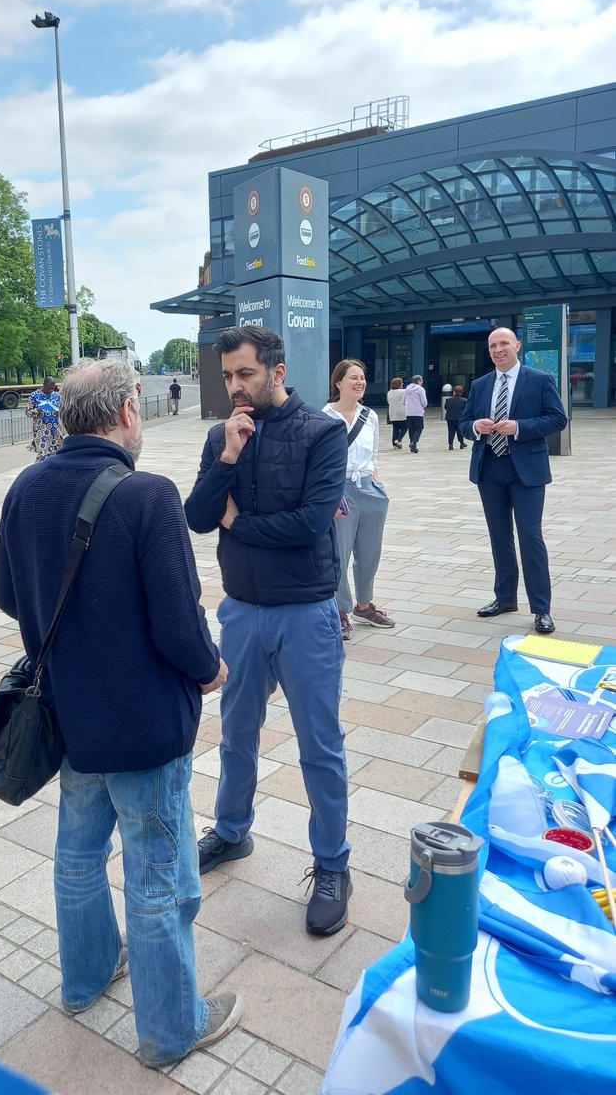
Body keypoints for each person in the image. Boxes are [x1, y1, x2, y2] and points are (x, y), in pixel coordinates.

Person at [0, 357, 242, 1068]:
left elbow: (12, 596)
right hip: (140, 726)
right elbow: (177, 619)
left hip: (68, 717)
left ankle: (85, 979)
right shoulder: (147, 496)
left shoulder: (25, 486)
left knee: (77, 857)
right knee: (158, 877)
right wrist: (210, 666)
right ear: (128, 412)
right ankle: (172, 1030)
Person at [184, 326, 352, 936]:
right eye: (228, 376)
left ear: (277, 371)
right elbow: (198, 518)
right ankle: (232, 832)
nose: (235, 387)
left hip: (306, 612)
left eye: (245, 374)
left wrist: (241, 522)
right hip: (242, 611)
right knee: (235, 734)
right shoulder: (221, 435)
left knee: (319, 745)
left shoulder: (322, 433)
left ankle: (333, 863)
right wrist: (227, 456)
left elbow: (311, 525)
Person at [460, 327, 567, 636]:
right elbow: (465, 423)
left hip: (526, 471)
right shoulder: (480, 385)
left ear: (517, 345)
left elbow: (557, 418)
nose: (498, 349)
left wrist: (519, 427)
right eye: (493, 345)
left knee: (530, 537)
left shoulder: (539, 380)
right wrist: (476, 427)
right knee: (499, 536)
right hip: (489, 468)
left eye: (504, 343)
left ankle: (542, 608)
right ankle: (505, 598)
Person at [323, 360, 394, 643]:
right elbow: (320, 463)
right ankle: (340, 610)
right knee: (339, 553)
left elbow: (374, 454)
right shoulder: (324, 417)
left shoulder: (371, 416)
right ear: (338, 383)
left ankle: (364, 605)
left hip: (369, 488)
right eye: (353, 378)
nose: (360, 382)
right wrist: (331, 492)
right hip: (339, 489)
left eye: (362, 378)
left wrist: (375, 481)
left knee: (370, 552)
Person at [26, 376, 64, 461]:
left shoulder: (56, 396)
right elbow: (28, 413)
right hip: (41, 431)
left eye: (53, 388)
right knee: (42, 455)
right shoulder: (34, 396)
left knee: (57, 454)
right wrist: (36, 411)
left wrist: (60, 412)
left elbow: (63, 410)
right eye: (49, 388)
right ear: (44, 385)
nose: (51, 390)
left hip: (55, 430)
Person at [402, 375, 427, 453]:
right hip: (418, 412)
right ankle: (414, 442)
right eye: (421, 380)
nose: (422, 382)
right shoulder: (420, 389)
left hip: (409, 412)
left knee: (411, 429)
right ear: (419, 381)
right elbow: (424, 401)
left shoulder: (407, 389)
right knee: (419, 428)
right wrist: (423, 406)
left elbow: (403, 401)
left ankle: (413, 445)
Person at [444, 384, 468, 450]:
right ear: (461, 392)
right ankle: (461, 443)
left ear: (454, 391)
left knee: (451, 431)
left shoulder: (448, 400)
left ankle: (450, 444)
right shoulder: (464, 401)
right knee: (460, 431)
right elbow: (466, 409)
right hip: (459, 418)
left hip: (450, 417)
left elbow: (446, 407)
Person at [386, 377, 407, 449]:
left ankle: (394, 443)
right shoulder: (403, 391)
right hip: (402, 412)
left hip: (392, 412)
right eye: (401, 383)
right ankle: (398, 440)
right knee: (404, 428)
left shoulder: (389, 392)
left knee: (395, 428)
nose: (402, 384)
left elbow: (388, 401)